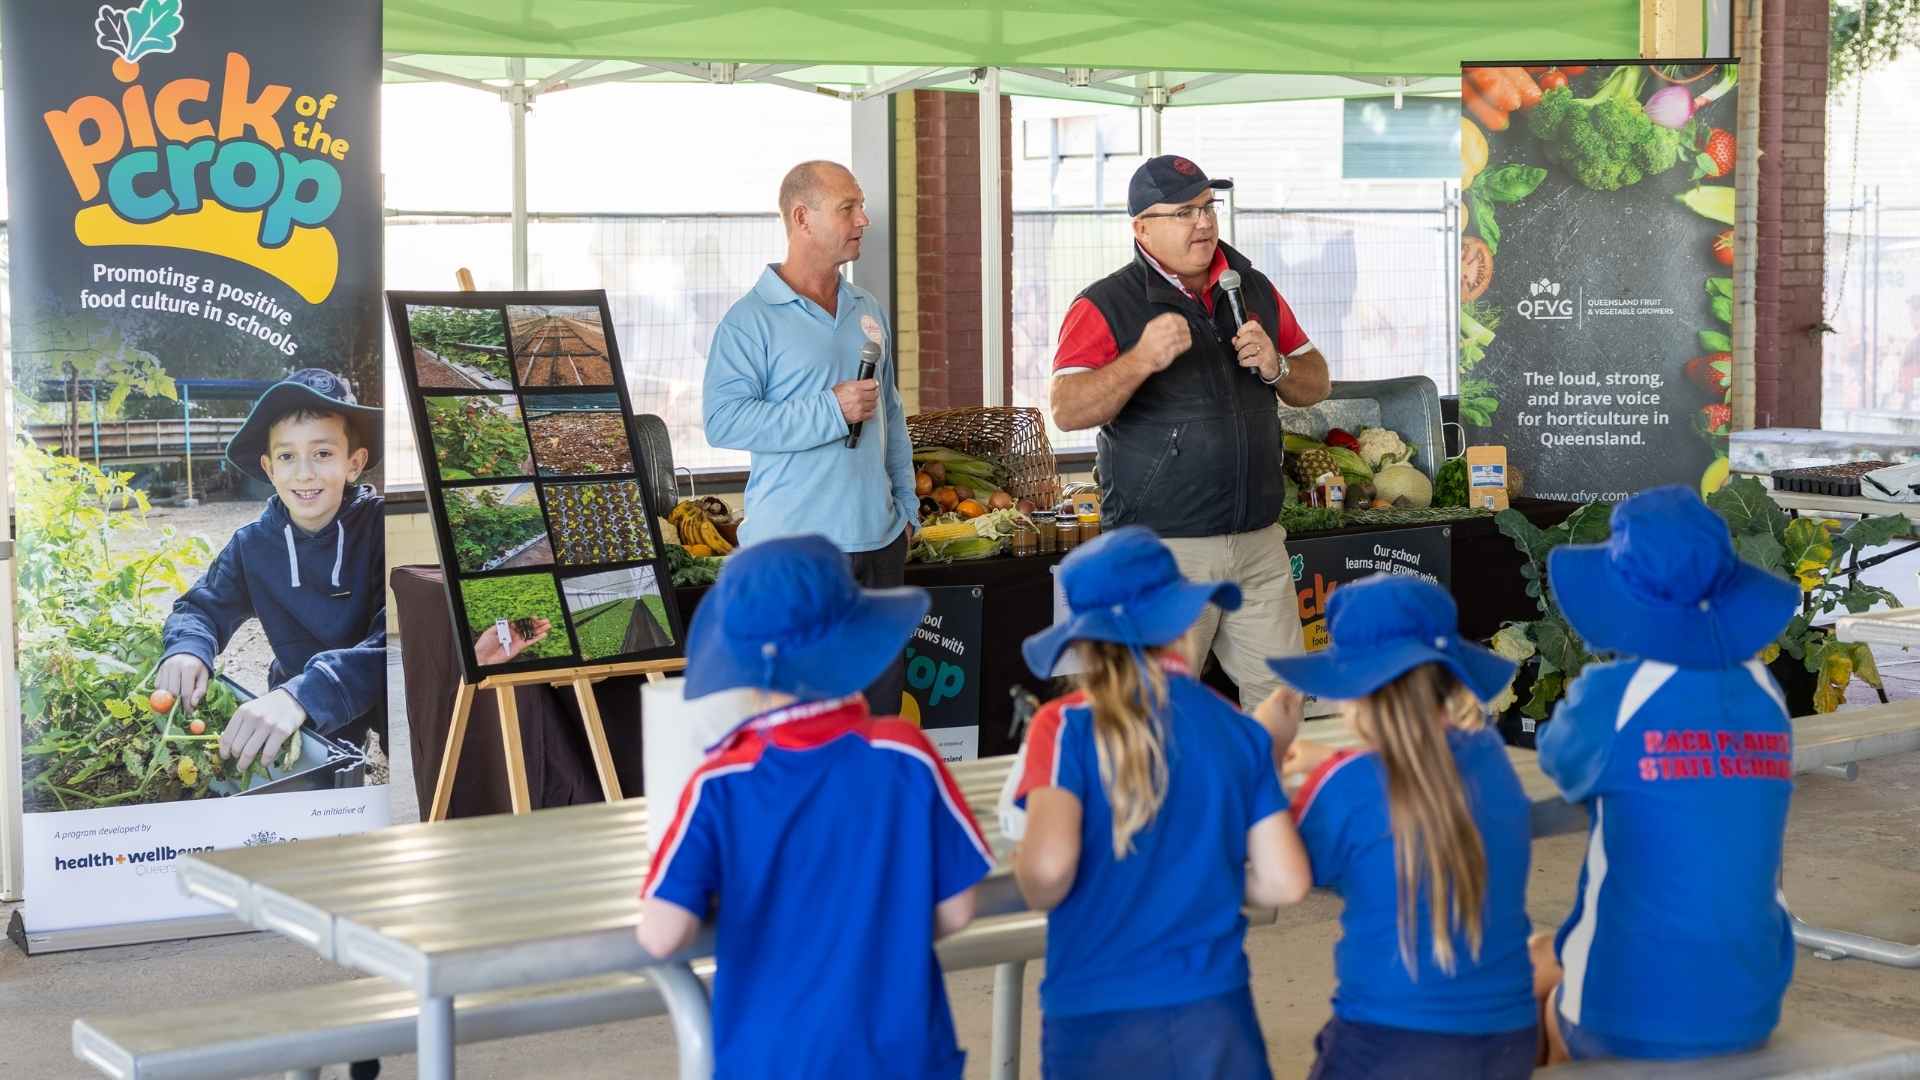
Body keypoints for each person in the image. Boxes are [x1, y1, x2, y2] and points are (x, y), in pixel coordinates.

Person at [637, 535, 993, 1080]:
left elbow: (664, 934)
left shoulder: (720, 782)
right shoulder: (905, 754)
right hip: (903, 1053)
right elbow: (958, 909)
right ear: (857, 642)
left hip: (771, 1057)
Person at [1008, 526, 1313, 1080]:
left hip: (1095, 1013)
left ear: (1084, 640)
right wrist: (1200, 878)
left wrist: (1023, 865)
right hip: (1214, 1009)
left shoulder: (1063, 727)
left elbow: (1049, 872)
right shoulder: (1237, 729)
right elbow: (1287, 883)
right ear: (1180, 624)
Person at [1048, 154, 1332, 708]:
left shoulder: (1251, 288)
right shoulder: (1104, 304)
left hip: (1257, 541)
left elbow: (1317, 379)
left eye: (1207, 206)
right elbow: (1066, 409)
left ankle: (1263, 797)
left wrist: (1278, 369)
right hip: (1164, 551)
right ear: (1141, 228)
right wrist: (1139, 361)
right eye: (1183, 212)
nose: (1202, 223)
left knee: (1282, 700)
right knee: (1153, 710)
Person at [1532, 486, 1799, 1063]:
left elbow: (1558, 761)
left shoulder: (1614, 695)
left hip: (1623, 1010)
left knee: (1523, 982)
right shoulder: (1766, 694)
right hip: (1750, 1003)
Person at [1266, 574, 1537, 1080]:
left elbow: (1275, 865)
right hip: (1508, 1037)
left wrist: (1266, 748)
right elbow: (1413, 770)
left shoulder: (1345, 788)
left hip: (1387, 1043)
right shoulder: (1491, 757)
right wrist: (1337, 761)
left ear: (1350, 692)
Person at [702, 160, 915, 714]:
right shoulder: (750, 321)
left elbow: (889, 414)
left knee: (875, 723)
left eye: (860, 205)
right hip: (793, 557)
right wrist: (830, 409)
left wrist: (906, 510)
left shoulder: (867, 309)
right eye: (848, 207)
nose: (864, 219)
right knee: (797, 725)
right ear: (802, 218)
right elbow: (724, 420)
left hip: (878, 546)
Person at [155, 368, 386, 772]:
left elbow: (397, 640)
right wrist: (188, 649)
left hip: (378, 684)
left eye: (323, 453)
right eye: (287, 456)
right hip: (298, 693)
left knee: (414, 745)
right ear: (269, 469)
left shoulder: (386, 528)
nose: (304, 472)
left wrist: (305, 694)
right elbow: (199, 609)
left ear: (354, 462)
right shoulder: (253, 544)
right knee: (318, 780)